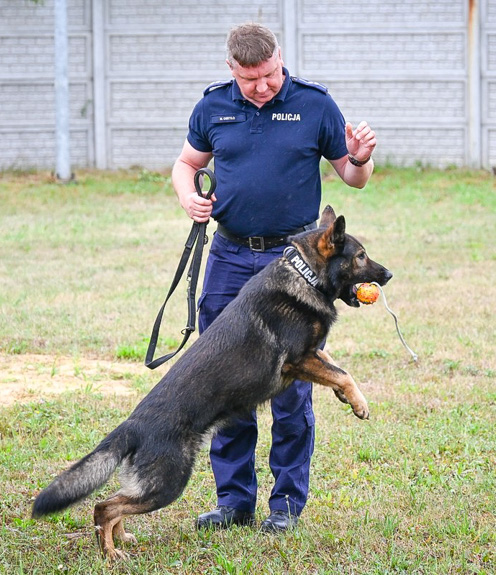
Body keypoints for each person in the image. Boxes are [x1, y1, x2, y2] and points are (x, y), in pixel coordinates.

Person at [170, 22, 376, 533]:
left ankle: (285, 506)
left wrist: (361, 157)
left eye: (269, 74)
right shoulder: (212, 107)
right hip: (230, 257)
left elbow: (351, 175)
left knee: (293, 384)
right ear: (231, 70)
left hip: (296, 263)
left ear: (279, 59)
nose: (262, 86)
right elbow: (185, 163)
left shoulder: (314, 104)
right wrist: (187, 195)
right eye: (250, 79)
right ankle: (234, 503)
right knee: (224, 380)